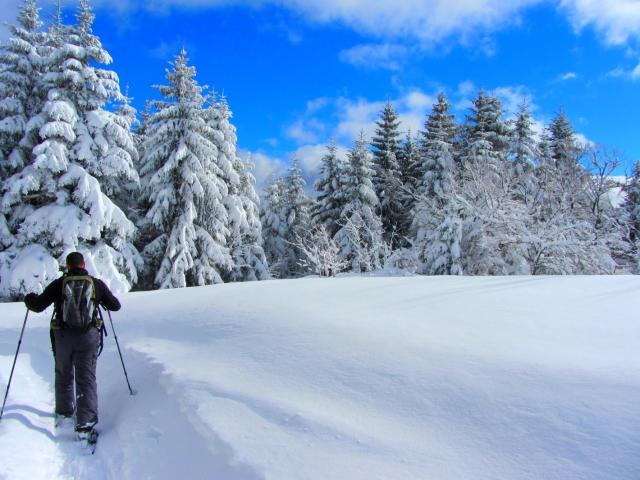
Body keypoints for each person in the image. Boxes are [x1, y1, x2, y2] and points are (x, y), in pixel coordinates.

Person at [24, 251, 121, 435]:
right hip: (88, 337)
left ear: (67, 266)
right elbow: (116, 305)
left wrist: (29, 299)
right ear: (83, 265)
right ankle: (85, 423)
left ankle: (64, 413)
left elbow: (37, 306)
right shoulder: (95, 284)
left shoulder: (60, 284)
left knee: (63, 373)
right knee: (86, 378)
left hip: (63, 337)